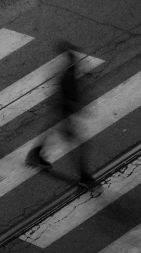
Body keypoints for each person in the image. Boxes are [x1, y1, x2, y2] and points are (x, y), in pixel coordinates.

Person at [25, 41, 98, 189]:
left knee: (53, 127)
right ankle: (84, 177)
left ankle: (34, 154)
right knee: (79, 144)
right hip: (64, 111)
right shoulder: (67, 75)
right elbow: (68, 96)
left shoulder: (68, 69)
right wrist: (75, 111)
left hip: (62, 110)